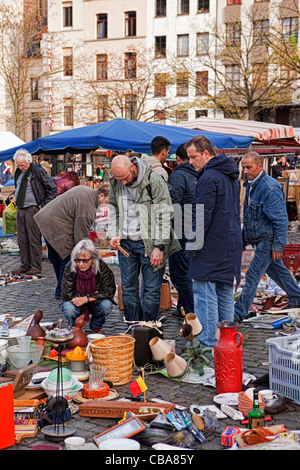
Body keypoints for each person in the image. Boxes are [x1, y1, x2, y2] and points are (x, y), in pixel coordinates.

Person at [108, 154, 180, 322]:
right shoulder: (116, 182)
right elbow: (113, 207)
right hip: (126, 244)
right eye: (119, 180)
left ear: (132, 168)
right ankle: (134, 329)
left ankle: (148, 331)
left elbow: (165, 213)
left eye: (125, 178)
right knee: (127, 290)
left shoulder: (153, 180)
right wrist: (115, 232)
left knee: (151, 292)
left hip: (150, 243)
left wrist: (159, 246)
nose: (123, 183)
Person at [186, 136, 243, 347]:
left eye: (193, 157)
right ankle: (227, 343)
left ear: (206, 154)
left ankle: (209, 344)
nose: (190, 162)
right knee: (224, 291)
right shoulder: (229, 175)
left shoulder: (209, 177)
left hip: (212, 245)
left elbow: (202, 216)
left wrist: (192, 246)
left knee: (206, 294)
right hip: (229, 242)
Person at [234, 152, 300, 322]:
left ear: (259, 166)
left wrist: (278, 245)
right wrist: (244, 238)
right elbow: (249, 216)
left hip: (267, 240)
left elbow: (280, 219)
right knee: (278, 272)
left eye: (249, 167)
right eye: (244, 167)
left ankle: (238, 313)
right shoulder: (251, 185)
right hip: (260, 238)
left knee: (253, 275)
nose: (246, 171)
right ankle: (297, 297)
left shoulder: (269, 187)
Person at [34, 184, 106, 299]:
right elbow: (81, 234)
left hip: (46, 221)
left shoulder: (86, 191)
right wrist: (86, 253)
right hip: (55, 225)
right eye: (108, 200)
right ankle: (62, 291)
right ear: (101, 196)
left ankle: (62, 288)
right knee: (68, 258)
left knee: (58, 258)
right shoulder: (88, 205)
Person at [11, 149, 57, 275]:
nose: (21, 168)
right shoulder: (19, 173)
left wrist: (43, 205)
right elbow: (20, 188)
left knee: (33, 238)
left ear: (28, 162)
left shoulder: (36, 171)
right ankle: (25, 265)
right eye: (19, 165)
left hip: (33, 208)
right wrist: (14, 195)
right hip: (21, 208)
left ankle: (36, 265)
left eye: (23, 165)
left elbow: (52, 188)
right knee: (22, 238)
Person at [61, 239, 115, 334]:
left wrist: (87, 298)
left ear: (93, 259)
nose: (81, 264)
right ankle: (75, 328)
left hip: (94, 301)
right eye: (78, 260)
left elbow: (109, 290)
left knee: (106, 305)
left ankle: (96, 325)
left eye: (85, 260)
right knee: (68, 308)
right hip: (77, 300)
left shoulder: (102, 267)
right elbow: (67, 293)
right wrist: (89, 296)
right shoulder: (69, 267)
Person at [168, 143, 197, 317]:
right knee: (188, 270)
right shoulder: (199, 174)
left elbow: (173, 205)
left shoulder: (178, 176)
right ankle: (183, 306)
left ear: (178, 159)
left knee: (180, 273)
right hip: (196, 227)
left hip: (181, 229)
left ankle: (190, 311)